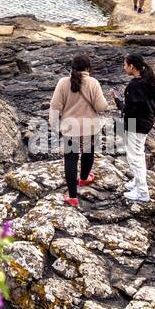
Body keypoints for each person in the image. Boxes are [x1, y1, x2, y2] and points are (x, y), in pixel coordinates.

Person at [48, 54, 110, 207]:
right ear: (88, 68)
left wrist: (54, 124)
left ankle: (72, 197)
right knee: (88, 153)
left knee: (70, 159)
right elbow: (101, 106)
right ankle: (83, 178)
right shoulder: (93, 82)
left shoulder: (63, 82)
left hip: (70, 128)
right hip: (90, 127)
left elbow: (55, 106)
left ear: (72, 67)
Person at [120, 53, 155, 203]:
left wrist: (121, 107)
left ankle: (142, 192)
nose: (124, 68)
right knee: (139, 154)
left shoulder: (134, 86)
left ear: (132, 66)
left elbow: (131, 110)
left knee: (134, 157)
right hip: (145, 122)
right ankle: (136, 183)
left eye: (125, 65)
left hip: (135, 125)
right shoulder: (148, 80)